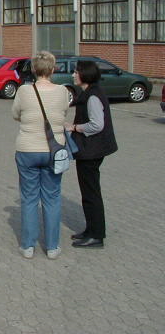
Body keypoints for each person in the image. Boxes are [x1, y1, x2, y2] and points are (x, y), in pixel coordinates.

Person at [11, 51, 69, 260]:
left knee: (29, 198)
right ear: (53, 69)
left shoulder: (25, 91)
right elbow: (64, 113)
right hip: (54, 150)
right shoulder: (62, 91)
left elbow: (15, 114)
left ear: (34, 70)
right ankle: (52, 247)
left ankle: (28, 246)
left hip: (28, 148)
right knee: (52, 197)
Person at [65, 60, 118, 249]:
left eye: (76, 72)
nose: (73, 75)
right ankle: (90, 229)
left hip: (92, 150)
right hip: (90, 149)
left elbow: (97, 125)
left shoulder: (93, 96)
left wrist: (75, 127)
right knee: (87, 192)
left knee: (91, 193)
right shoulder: (89, 93)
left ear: (85, 75)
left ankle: (96, 236)